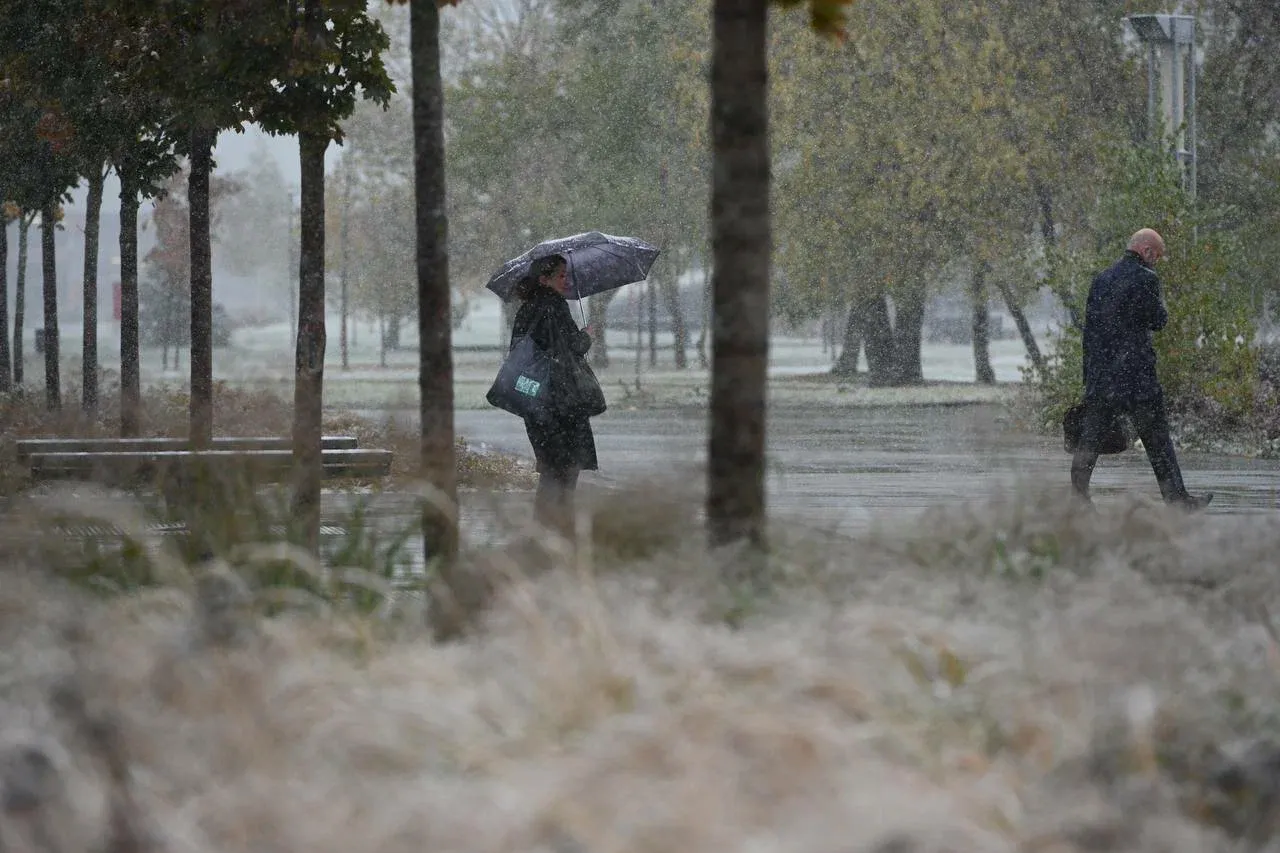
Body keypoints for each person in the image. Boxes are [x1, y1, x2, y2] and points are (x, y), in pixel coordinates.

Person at [1070, 228, 1212, 510]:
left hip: (1103, 378)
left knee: (1090, 441)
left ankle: (1077, 499)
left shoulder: (1101, 280)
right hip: (1137, 379)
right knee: (1158, 442)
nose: (1156, 262)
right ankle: (1177, 500)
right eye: (1156, 256)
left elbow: (1090, 333)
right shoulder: (1146, 279)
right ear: (1146, 251)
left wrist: (1090, 378)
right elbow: (1158, 320)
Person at [509, 254, 599, 532]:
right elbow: (570, 346)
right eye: (561, 275)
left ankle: (544, 529)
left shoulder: (526, 309)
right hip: (562, 401)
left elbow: (518, 353)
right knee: (566, 471)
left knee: (550, 470)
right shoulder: (555, 306)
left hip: (536, 400)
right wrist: (587, 335)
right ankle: (560, 531)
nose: (566, 280)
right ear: (543, 279)